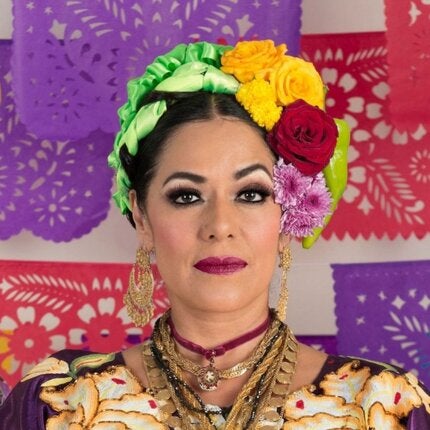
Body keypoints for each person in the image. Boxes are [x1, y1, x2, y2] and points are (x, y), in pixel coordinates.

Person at [0, 39, 429, 429]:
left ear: (289, 214)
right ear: (143, 218)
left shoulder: (383, 406)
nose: (220, 226)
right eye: (187, 196)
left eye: (251, 194)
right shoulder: (59, 405)